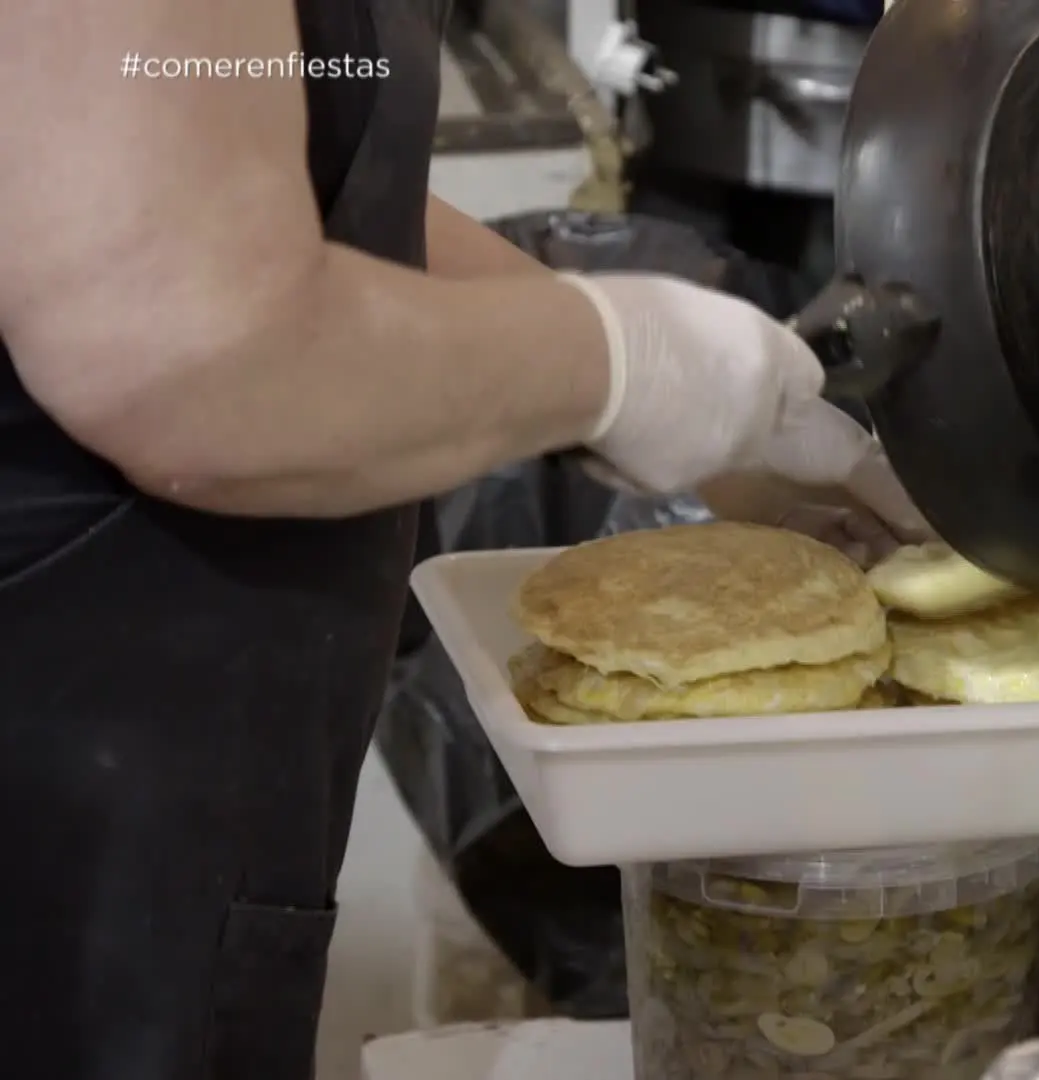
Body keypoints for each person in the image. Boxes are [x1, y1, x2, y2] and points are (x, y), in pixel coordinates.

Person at [0, 2, 925, 1077]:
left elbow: (268, 173)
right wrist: (613, 366)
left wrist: (713, 409)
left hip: (176, 786)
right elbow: (183, 350)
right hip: (62, 809)